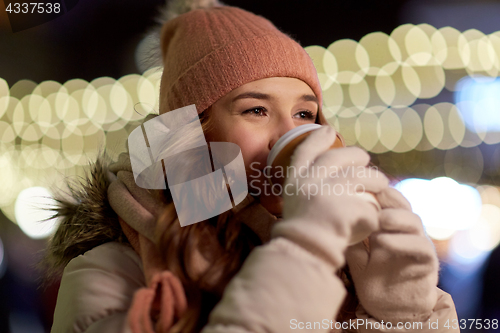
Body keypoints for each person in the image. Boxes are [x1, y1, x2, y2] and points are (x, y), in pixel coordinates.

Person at [44, 1, 460, 332]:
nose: (288, 134)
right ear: (193, 131)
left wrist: (401, 309)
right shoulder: (112, 269)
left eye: (304, 115)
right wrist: (307, 248)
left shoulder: (352, 255)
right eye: (256, 109)